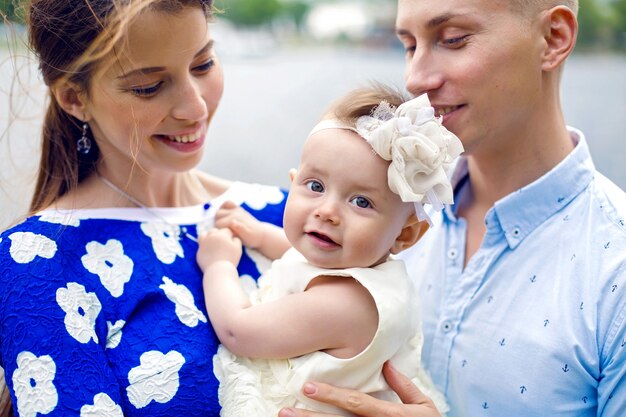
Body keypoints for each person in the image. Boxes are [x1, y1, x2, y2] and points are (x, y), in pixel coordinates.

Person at [278, 1, 626, 417]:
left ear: (553, 38)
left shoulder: (614, 271)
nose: (415, 79)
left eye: (453, 40)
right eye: (409, 45)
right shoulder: (383, 211)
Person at [0, 0, 288, 415]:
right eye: (147, 87)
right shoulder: (38, 260)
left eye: (203, 64)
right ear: (74, 98)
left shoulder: (288, 214)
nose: (195, 108)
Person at [197, 84, 462, 416]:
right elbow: (307, 261)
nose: (327, 212)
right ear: (293, 182)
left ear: (405, 235)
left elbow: (238, 330)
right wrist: (262, 234)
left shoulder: (349, 304)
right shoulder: (359, 264)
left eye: (361, 202)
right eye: (315, 186)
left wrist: (219, 265)